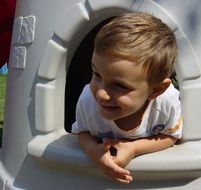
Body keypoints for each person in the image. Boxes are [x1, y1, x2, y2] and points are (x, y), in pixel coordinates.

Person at [72, 12, 183, 184]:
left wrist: (134, 148)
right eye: (97, 74)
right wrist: (94, 151)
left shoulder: (166, 102)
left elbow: (171, 135)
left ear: (156, 90)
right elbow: (82, 131)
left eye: (119, 85)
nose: (101, 93)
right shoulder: (88, 100)